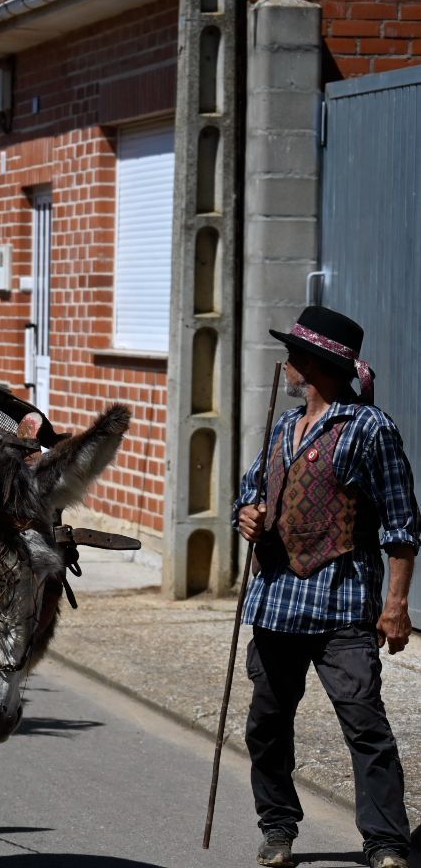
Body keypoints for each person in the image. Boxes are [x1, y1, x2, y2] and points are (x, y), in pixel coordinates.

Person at [233, 305, 417, 868]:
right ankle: (278, 829)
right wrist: (248, 515)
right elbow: (250, 492)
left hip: (341, 605)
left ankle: (386, 842)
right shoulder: (285, 427)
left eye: (293, 355)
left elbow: (402, 525)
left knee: (364, 722)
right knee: (266, 724)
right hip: (277, 603)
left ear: (310, 365)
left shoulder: (370, 429)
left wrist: (396, 607)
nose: (286, 365)